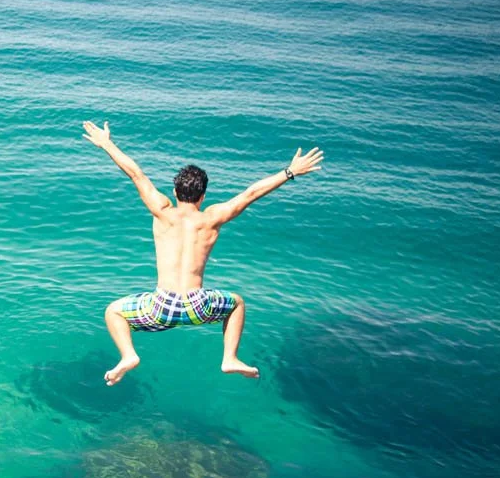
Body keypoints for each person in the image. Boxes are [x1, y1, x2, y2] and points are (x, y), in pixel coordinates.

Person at [82, 120, 323, 385]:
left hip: (161, 306)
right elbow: (250, 194)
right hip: (199, 305)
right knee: (237, 303)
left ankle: (128, 355)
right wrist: (290, 172)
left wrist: (106, 144)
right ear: (203, 196)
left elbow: (135, 174)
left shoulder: (162, 212)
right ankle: (230, 357)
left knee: (113, 312)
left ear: (175, 192)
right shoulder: (211, 218)